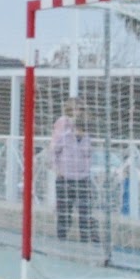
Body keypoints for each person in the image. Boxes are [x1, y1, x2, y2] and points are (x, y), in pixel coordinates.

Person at [50, 96, 97, 242]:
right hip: (65, 177)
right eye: (76, 108)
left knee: (85, 210)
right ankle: (61, 238)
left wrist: (87, 171)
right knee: (64, 211)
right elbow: (53, 148)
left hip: (82, 178)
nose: (79, 112)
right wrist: (56, 168)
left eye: (81, 109)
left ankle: (86, 238)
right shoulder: (63, 126)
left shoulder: (86, 134)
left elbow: (89, 154)